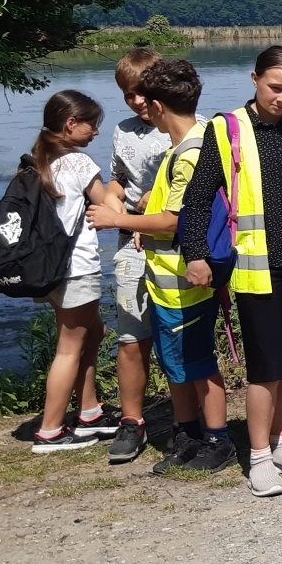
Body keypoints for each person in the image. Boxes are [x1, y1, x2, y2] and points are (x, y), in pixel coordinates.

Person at [182, 45, 282, 497]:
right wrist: (196, 253)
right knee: (265, 368)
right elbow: (197, 198)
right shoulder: (227, 130)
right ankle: (256, 456)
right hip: (257, 267)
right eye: (275, 88)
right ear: (254, 79)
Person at [91, 58, 234, 474]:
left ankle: (217, 439)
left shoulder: (190, 152)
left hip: (186, 282)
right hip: (168, 283)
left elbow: (178, 218)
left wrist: (118, 220)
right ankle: (187, 434)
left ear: (155, 106)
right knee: (176, 363)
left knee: (199, 363)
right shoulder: (187, 144)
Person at [26, 91, 112, 453]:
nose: (96, 132)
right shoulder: (78, 164)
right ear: (71, 124)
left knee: (94, 330)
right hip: (76, 268)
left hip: (47, 270)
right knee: (69, 348)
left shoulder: (34, 163)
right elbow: (108, 205)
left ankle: (89, 410)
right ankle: (50, 431)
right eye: (92, 124)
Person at [99, 46, 169, 463]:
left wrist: (147, 207)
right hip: (130, 243)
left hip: (171, 242)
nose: (139, 101)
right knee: (131, 336)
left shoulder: (188, 126)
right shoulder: (123, 130)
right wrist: (112, 202)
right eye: (130, 94)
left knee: (179, 335)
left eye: (144, 92)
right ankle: (132, 421)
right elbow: (118, 180)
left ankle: (188, 420)